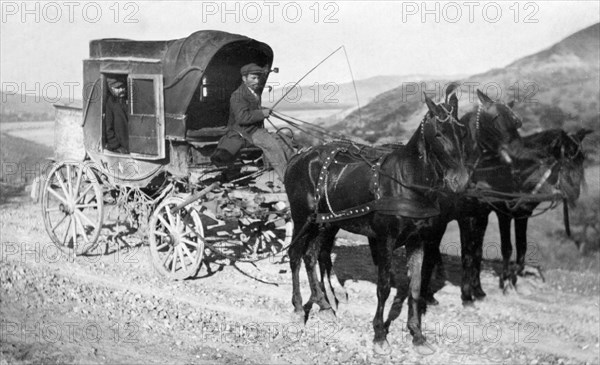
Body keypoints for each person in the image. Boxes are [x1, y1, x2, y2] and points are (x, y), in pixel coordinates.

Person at [211, 63, 294, 181]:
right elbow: (242, 117)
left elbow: (251, 109)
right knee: (272, 145)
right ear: (244, 79)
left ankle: (295, 172)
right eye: (253, 78)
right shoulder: (237, 96)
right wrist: (261, 114)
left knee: (284, 141)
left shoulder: (253, 92)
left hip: (256, 130)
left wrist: (263, 111)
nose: (257, 81)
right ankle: (286, 179)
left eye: (258, 78)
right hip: (244, 133)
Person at [104, 76, 129, 154]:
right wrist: (116, 146)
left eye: (123, 87)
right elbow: (108, 128)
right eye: (118, 88)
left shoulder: (128, 100)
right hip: (119, 146)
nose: (121, 90)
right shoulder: (111, 103)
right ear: (111, 89)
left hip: (129, 143)